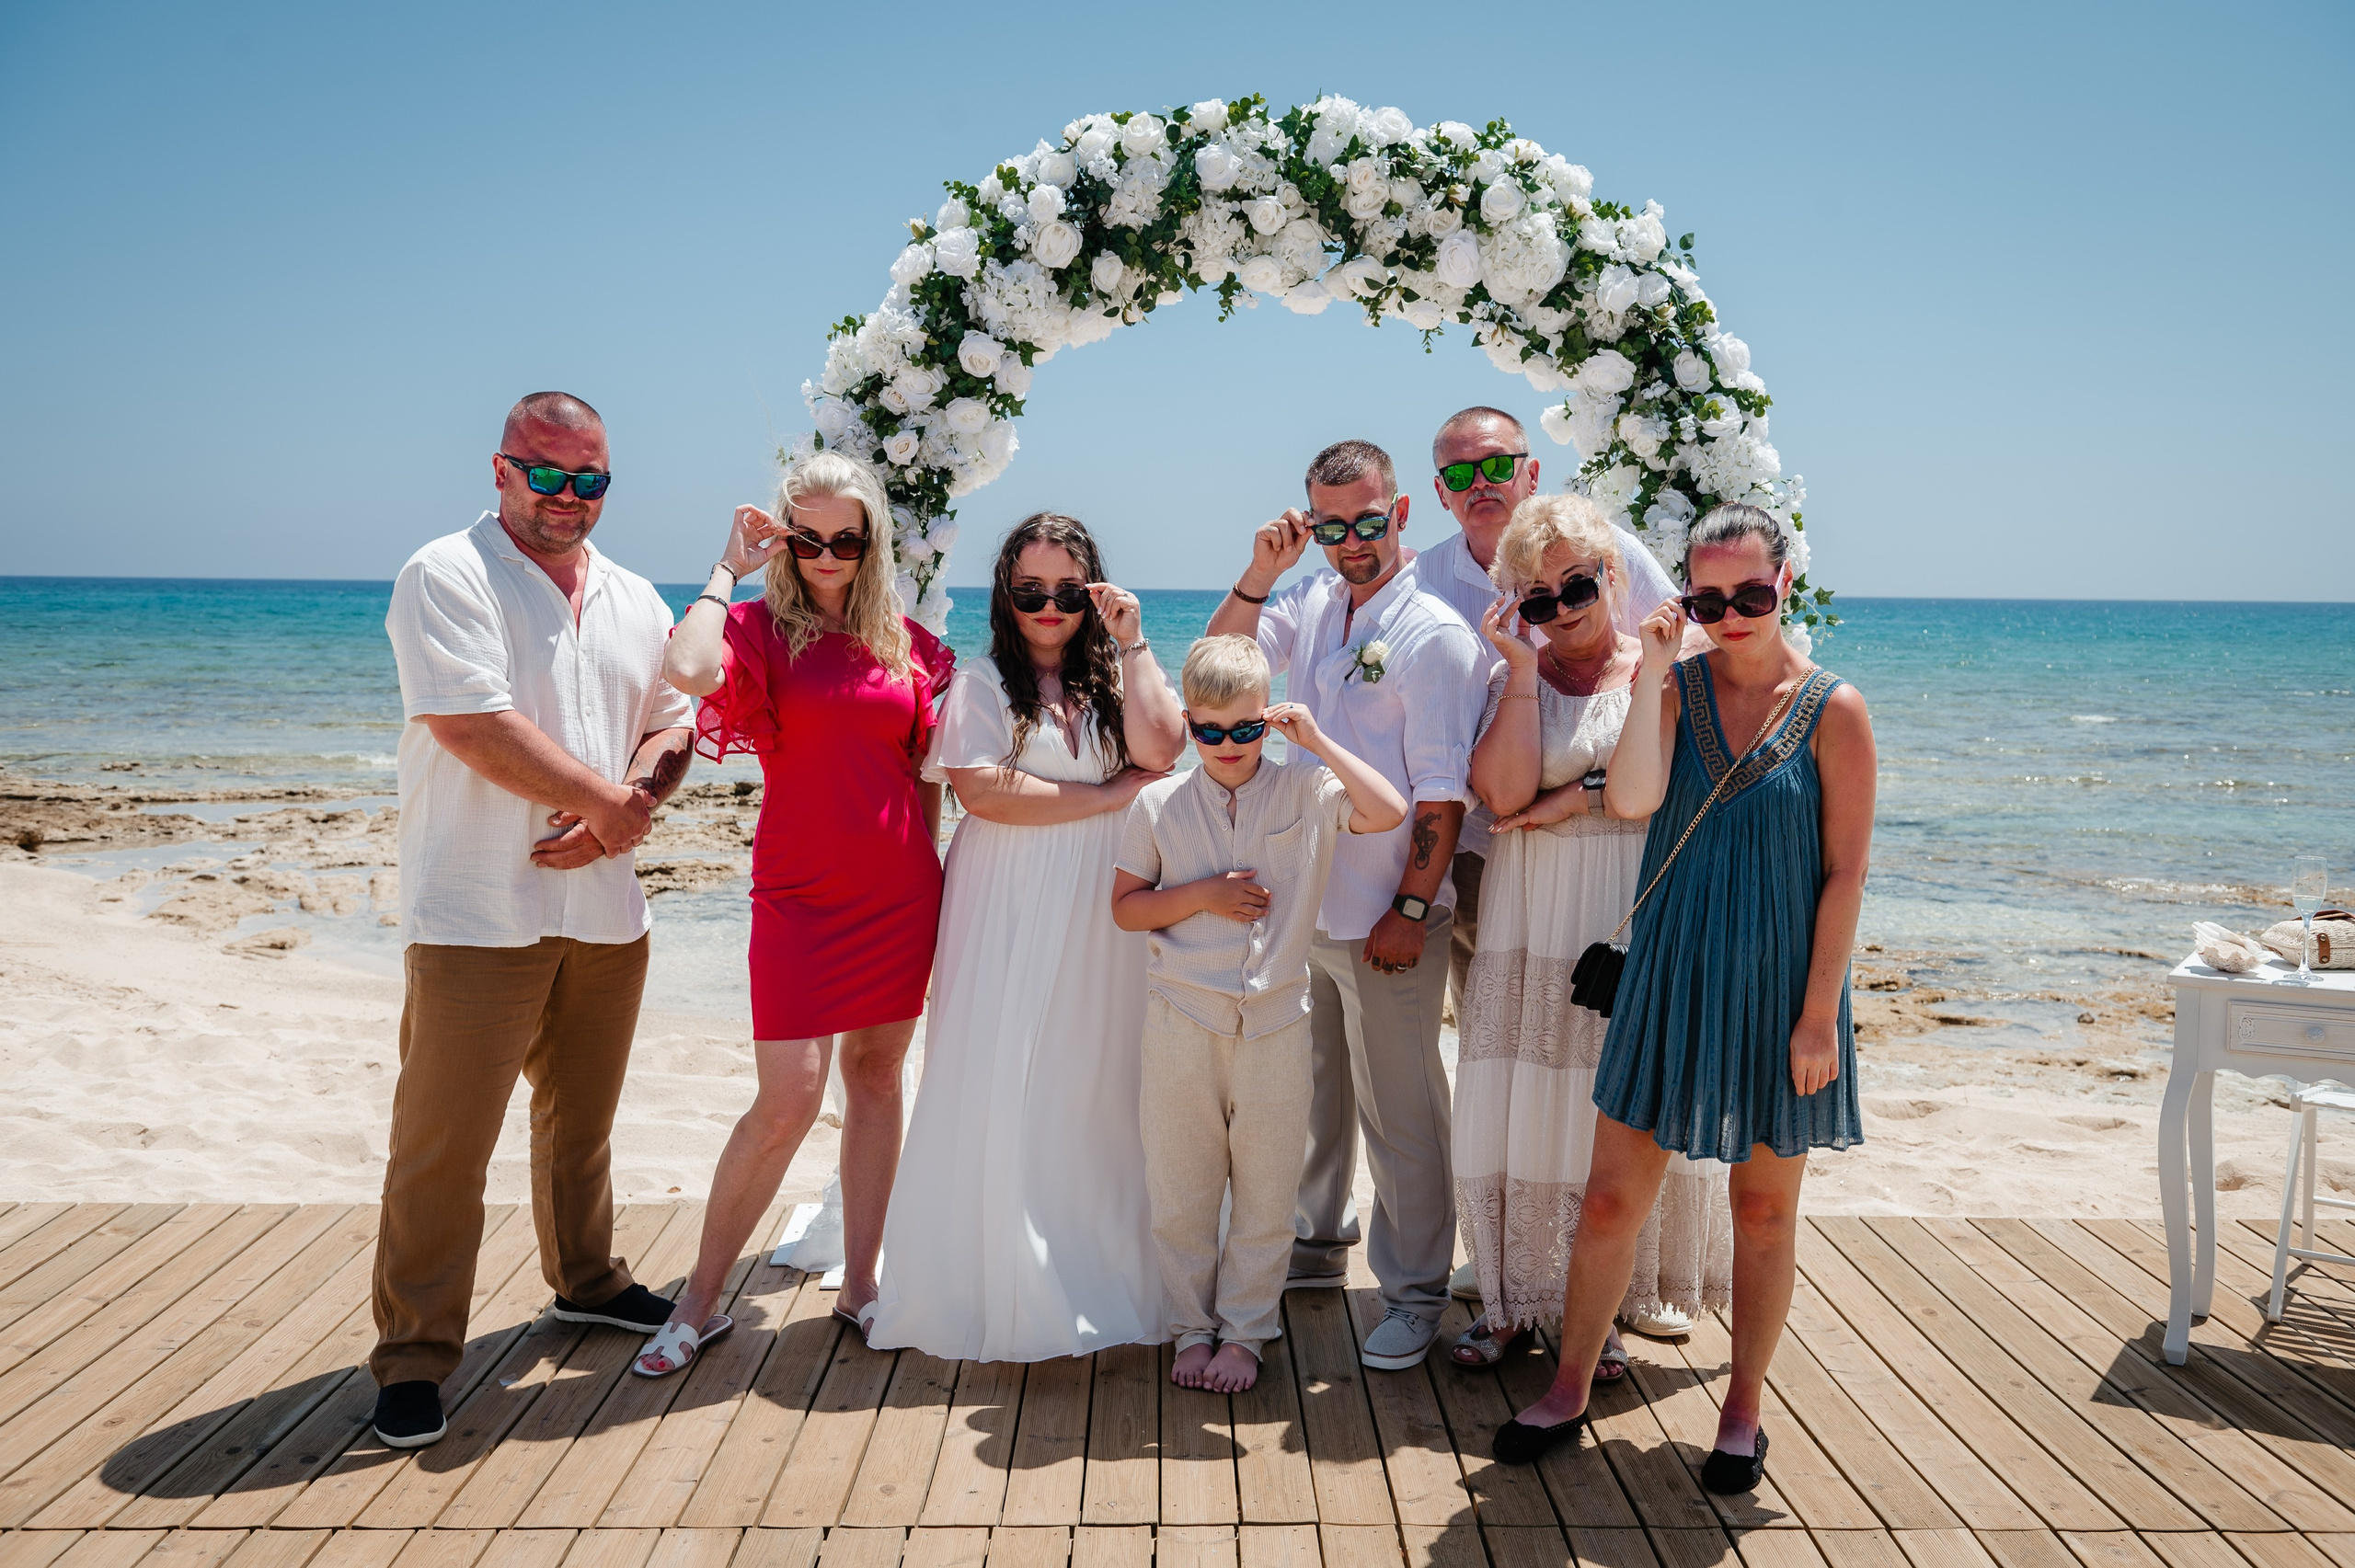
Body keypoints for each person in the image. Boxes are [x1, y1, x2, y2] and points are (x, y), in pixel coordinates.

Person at [1493, 504, 1876, 1495]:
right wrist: (1657, 668)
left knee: (1762, 1211)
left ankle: (1742, 1406)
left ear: (1784, 582)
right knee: (1613, 1195)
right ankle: (1571, 1383)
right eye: (1708, 598)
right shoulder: (1677, 686)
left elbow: (1845, 874)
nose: (1731, 613)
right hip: (1670, 969)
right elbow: (1628, 800)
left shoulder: (1836, 708)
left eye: (1750, 594)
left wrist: (1815, 1013)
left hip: (1783, 989)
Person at [372, 391, 695, 1448]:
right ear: (501, 469)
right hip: (475, 906)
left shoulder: (639, 598)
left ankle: (589, 1282)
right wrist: (609, 807)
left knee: (581, 1123)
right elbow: (470, 723)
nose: (567, 497)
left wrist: (636, 798)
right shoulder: (446, 572)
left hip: (605, 909)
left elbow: (673, 721)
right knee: (442, 1148)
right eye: (545, 474)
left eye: (588, 478)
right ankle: (415, 1358)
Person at [637, 450, 955, 1376]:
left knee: (877, 1078)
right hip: (798, 895)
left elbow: (923, 781)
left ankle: (860, 1285)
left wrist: (928, 878)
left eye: (844, 538)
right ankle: (700, 1300)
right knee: (786, 1098)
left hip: (898, 891)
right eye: (806, 537)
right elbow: (688, 671)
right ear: (786, 539)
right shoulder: (755, 631)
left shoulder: (912, 646)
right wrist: (725, 564)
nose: (825, 553)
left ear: (870, 542)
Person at [865, 514, 1184, 1360]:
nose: (1049, 606)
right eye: (1029, 590)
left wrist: (1138, 642)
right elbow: (987, 794)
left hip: (1103, 898)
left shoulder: (1115, 676)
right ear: (1006, 596)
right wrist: (1111, 796)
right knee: (1006, 1062)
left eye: (1067, 591)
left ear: (1094, 593)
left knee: (1097, 1068)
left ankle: (1098, 1255)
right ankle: (1005, 1265)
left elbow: (1167, 748)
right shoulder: (978, 681)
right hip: (1008, 891)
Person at [1206, 439, 1485, 1371]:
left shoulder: (1435, 635)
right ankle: (1317, 1246)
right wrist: (1260, 570)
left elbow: (1441, 795)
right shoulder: (1315, 598)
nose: (1352, 541)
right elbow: (1222, 670)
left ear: (1402, 514)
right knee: (1315, 1097)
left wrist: (1410, 908)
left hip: (1387, 913)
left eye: (1368, 522)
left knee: (1402, 1113)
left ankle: (1413, 1293)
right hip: (1309, 901)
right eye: (1332, 526)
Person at [1449, 495, 1731, 1373]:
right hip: (1529, 910)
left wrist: (1572, 798)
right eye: (1537, 599)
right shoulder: (1508, 679)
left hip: (1632, 907)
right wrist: (1523, 670)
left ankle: (1596, 1308)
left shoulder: (1675, 663)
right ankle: (1512, 1298)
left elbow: (1683, 788)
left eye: (1576, 584)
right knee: (1518, 1104)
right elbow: (1498, 795)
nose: (1562, 609)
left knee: (1600, 1111)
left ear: (1610, 572)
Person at [1112, 636, 1407, 1391]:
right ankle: (1191, 1326)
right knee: (1182, 1189)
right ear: (1187, 724)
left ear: (1268, 723)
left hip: (1278, 1023)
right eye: (1209, 731)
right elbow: (1125, 908)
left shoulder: (1305, 790)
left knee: (1269, 1193)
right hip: (1181, 1018)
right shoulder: (1156, 803)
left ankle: (1245, 1332)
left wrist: (1317, 740)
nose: (1227, 746)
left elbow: (1388, 809)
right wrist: (1205, 893)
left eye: (1246, 729)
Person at [1410, 407, 1679, 1022]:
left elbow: (1686, 644)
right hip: (1487, 848)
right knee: (1503, 1027)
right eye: (1460, 474)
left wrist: (1588, 790)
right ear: (1441, 492)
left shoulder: (1608, 549)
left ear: (1529, 472)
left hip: (1625, 849)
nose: (1480, 483)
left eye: (1497, 465)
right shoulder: (1421, 580)